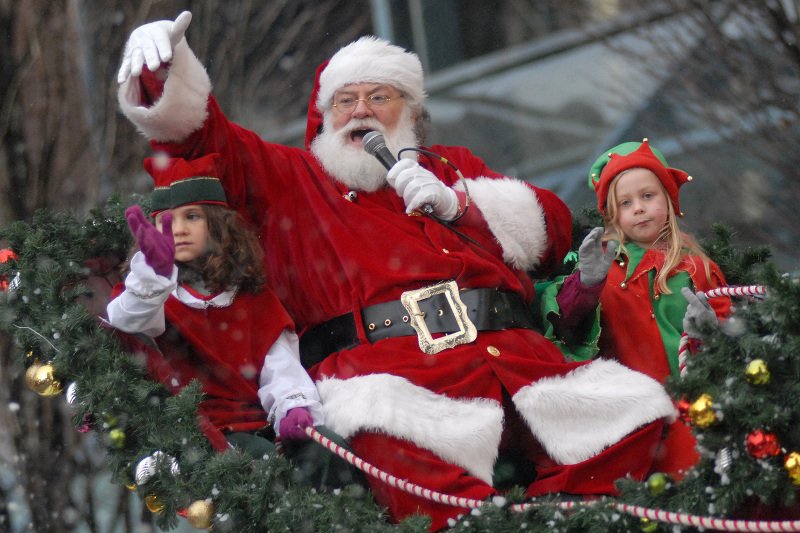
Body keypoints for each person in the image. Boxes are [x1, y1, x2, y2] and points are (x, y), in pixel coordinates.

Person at [116, 12, 680, 531]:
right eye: (345, 100)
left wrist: (461, 203)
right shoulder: (294, 179)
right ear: (324, 117)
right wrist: (167, 76)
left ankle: (559, 518)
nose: (360, 110)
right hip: (392, 378)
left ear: (409, 112)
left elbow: (554, 228)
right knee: (395, 455)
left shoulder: (453, 167)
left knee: (635, 417)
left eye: (378, 96)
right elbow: (203, 141)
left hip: (516, 359)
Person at [106, 153, 324, 455]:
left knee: (324, 452)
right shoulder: (154, 296)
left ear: (218, 226)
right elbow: (124, 320)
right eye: (165, 221)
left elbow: (280, 368)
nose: (178, 229)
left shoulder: (252, 298)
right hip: (199, 437)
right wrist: (154, 275)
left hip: (262, 424)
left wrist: (294, 408)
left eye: (191, 217)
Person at [537, 138, 731, 477]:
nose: (638, 208)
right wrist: (585, 283)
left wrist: (712, 328)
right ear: (613, 216)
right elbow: (565, 323)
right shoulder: (604, 269)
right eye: (626, 203)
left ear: (669, 201)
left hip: (698, 408)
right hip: (634, 422)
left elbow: (730, 329)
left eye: (647, 196)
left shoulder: (696, 266)